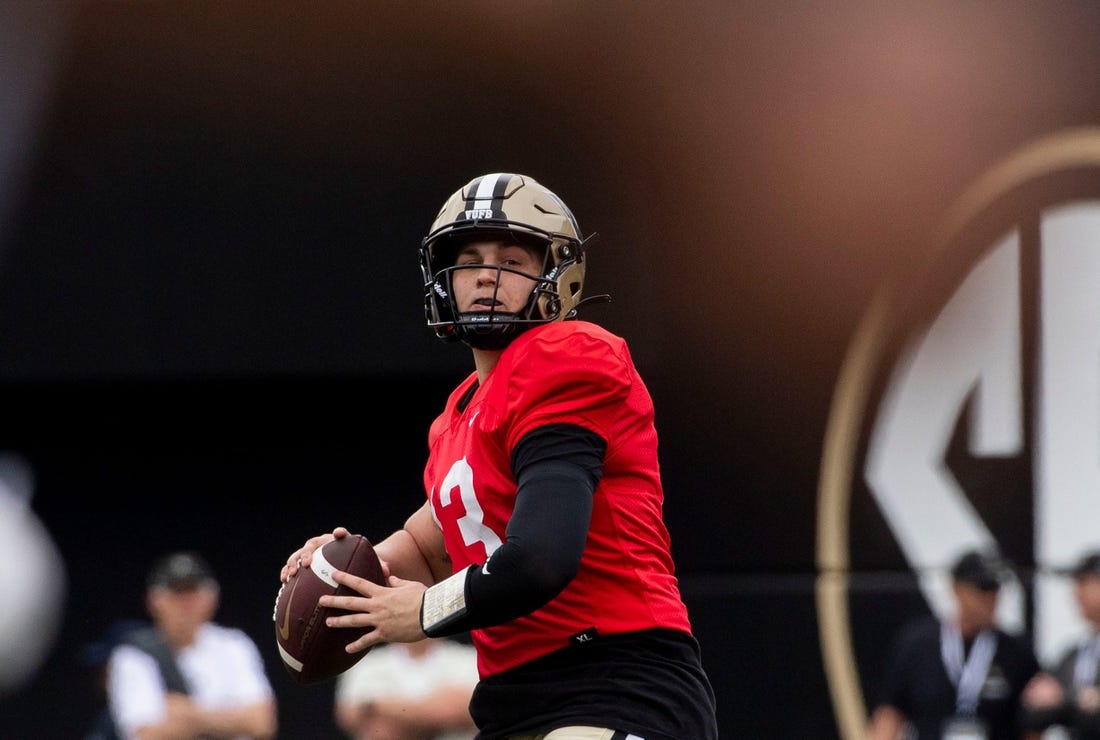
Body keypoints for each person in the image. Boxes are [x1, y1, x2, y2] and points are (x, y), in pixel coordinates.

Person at [281, 172, 719, 740]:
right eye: (471, 258)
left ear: (555, 278)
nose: (488, 273)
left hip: (616, 680)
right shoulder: (458, 413)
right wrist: (346, 573)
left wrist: (420, 614)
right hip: (512, 703)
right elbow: (428, 547)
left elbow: (540, 558)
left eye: (513, 259)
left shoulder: (567, 355)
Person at [866, 548, 1041, 740]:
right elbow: (890, 714)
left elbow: (1031, 727)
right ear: (956, 589)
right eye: (982, 589)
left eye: (995, 590)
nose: (990, 599)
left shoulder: (1017, 651)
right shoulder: (918, 644)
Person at [105, 550, 278, 740]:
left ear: (212, 597)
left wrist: (187, 714)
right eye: (176, 592)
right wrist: (233, 719)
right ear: (154, 600)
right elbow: (145, 734)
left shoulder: (234, 644)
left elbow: (262, 721)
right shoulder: (133, 653)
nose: (185, 603)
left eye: (193, 591)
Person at [1020, 548, 1100, 739]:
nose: (1076, 592)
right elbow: (1032, 711)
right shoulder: (1075, 653)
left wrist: (1065, 701)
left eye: (1083, 582)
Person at [334, 636, 479, 740]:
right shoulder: (365, 665)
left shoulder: (468, 659)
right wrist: (434, 712)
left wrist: (376, 706)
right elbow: (351, 717)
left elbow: (464, 712)